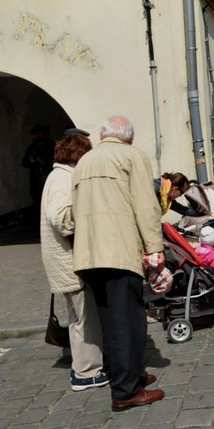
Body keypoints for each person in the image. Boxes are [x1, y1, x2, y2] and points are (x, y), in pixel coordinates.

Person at [72, 115, 164, 411]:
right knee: (129, 321)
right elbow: (145, 205)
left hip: (89, 254)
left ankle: (129, 374)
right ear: (131, 138)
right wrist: (154, 248)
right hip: (119, 251)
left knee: (110, 320)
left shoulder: (85, 161)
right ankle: (126, 391)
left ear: (102, 135)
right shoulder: (131, 156)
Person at [40, 132, 108, 391]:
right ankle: (86, 372)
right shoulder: (62, 178)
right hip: (70, 262)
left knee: (82, 316)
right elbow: (61, 219)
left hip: (69, 260)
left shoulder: (60, 175)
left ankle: (87, 366)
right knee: (83, 317)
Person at [22, 123, 55, 221]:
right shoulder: (31, 147)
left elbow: (56, 160)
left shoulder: (52, 145)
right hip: (36, 182)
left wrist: (44, 161)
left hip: (49, 179)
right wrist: (30, 160)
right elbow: (24, 163)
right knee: (37, 202)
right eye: (34, 134)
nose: (37, 136)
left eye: (39, 133)